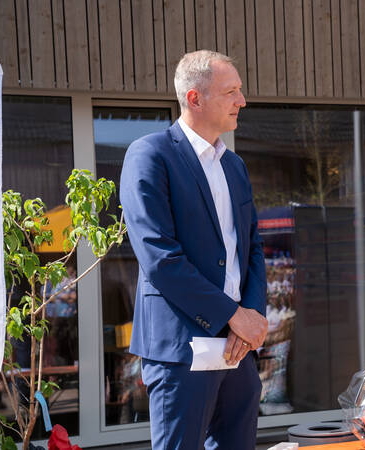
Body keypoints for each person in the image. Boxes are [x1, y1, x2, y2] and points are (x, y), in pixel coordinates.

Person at [120, 50, 268, 449]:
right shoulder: (150, 154)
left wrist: (251, 316)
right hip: (181, 350)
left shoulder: (234, 166)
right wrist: (233, 315)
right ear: (195, 98)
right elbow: (159, 258)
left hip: (238, 351)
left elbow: (252, 248)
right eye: (231, 91)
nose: (242, 101)